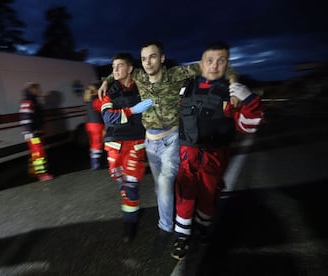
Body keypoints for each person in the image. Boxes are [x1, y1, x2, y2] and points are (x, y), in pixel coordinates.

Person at [98, 41, 239, 247]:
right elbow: (120, 70)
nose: (147, 62)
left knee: (165, 184)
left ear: (162, 58)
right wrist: (105, 81)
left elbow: (215, 66)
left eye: (153, 57)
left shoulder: (175, 74)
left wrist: (233, 87)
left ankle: (166, 228)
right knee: (160, 186)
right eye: (144, 58)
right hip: (150, 142)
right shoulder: (138, 75)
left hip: (172, 139)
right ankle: (180, 212)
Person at [170, 41, 264, 260]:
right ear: (201, 64)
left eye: (221, 61)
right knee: (184, 196)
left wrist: (249, 100)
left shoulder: (231, 93)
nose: (214, 66)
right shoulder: (186, 86)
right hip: (187, 155)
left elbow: (248, 126)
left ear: (227, 64)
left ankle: (202, 229)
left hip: (214, 157)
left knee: (208, 197)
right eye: (209, 61)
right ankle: (182, 237)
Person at [100, 52, 153, 242]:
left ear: (130, 69)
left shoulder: (142, 86)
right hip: (114, 143)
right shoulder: (111, 91)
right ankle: (129, 200)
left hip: (135, 143)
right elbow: (108, 117)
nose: (114, 69)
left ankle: (129, 222)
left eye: (119, 66)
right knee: (119, 178)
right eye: (113, 66)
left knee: (131, 184)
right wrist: (132, 111)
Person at [19, 82, 54, 181]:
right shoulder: (28, 101)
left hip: (36, 132)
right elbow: (25, 118)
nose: (40, 91)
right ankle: (42, 174)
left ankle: (34, 172)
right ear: (32, 90)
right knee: (39, 153)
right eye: (37, 89)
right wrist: (29, 132)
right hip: (33, 133)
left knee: (36, 153)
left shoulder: (33, 100)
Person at [83, 82, 105, 170]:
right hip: (96, 125)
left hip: (89, 125)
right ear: (96, 91)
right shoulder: (96, 100)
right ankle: (96, 163)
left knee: (93, 144)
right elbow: (103, 109)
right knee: (98, 144)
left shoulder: (87, 100)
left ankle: (94, 161)